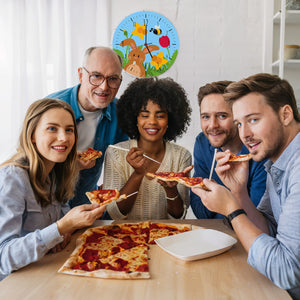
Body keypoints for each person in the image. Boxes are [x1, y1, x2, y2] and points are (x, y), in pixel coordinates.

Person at [192, 73, 300, 299]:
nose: (245, 134)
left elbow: (286, 271)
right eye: (240, 123)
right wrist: (239, 192)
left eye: (253, 120)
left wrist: (232, 209)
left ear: (286, 114)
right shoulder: (276, 159)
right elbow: (269, 230)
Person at [0, 99, 105, 280]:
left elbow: (58, 230)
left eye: (69, 130)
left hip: (45, 272)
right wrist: (62, 226)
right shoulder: (12, 177)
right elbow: (3, 258)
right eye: (52, 128)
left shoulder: (56, 171)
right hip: (14, 285)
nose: (64, 137)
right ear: (32, 134)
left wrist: (64, 232)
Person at [47, 47, 128, 208]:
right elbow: (30, 164)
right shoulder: (50, 108)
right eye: (96, 76)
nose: (104, 87)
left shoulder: (121, 113)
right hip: (47, 206)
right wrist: (69, 164)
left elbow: (121, 165)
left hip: (86, 207)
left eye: (113, 79)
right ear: (81, 75)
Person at [102, 77, 192, 220]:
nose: (152, 122)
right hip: (124, 238)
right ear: (134, 118)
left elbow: (179, 216)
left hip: (166, 237)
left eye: (160, 115)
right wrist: (138, 174)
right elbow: (114, 212)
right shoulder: (116, 153)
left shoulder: (181, 156)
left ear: (170, 120)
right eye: (144, 115)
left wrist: (171, 190)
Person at [190, 80, 267, 219]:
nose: (212, 125)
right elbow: (200, 212)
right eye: (206, 117)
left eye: (222, 116)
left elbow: (257, 219)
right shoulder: (202, 142)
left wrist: (218, 199)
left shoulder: (259, 151)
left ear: (238, 117)